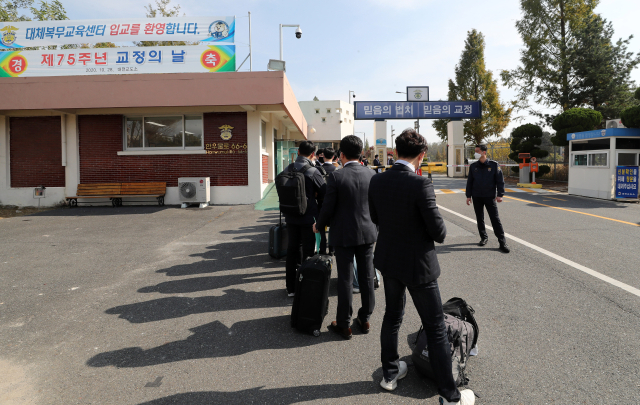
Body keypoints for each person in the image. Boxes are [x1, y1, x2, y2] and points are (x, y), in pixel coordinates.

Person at [368, 129, 475, 405]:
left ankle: (389, 375)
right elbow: (439, 232)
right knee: (436, 327)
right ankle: (450, 396)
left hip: (389, 260)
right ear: (422, 155)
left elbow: (376, 217)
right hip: (418, 266)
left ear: (395, 151)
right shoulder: (420, 184)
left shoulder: (377, 181)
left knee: (392, 316)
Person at [314, 135, 377, 340]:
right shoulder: (371, 174)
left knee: (345, 278)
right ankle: (365, 318)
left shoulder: (337, 177)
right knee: (368, 276)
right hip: (368, 233)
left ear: (341, 154)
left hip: (343, 234)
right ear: (362, 154)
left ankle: (344, 324)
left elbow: (327, 207)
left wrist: (319, 225)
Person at [280, 141, 326, 297]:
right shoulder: (313, 171)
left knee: (292, 250)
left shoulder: (288, 168)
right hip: (308, 218)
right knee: (308, 252)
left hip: (290, 216)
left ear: (298, 152)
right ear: (313, 154)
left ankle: (290, 288)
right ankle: (305, 286)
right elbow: (324, 192)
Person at [465, 144, 510, 253]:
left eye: (477, 151)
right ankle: (483, 237)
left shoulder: (494, 165)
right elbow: (469, 182)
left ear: (484, 152)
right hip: (477, 196)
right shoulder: (473, 166)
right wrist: (468, 196)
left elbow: (500, 181)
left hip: (489, 196)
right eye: (475, 151)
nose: (475, 153)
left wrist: (500, 194)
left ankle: (502, 242)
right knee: (479, 218)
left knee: (495, 219)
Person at [318, 148, 338, 255]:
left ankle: (322, 248)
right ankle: (332, 249)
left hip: (320, 202)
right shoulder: (338, 170)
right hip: (334, 203)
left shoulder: (317, 169)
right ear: (334, 157)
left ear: (323, 156)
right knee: (332, 227)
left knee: (321, 226)